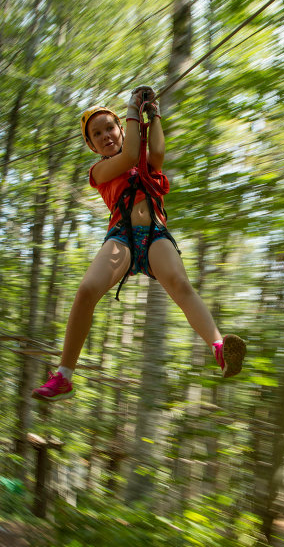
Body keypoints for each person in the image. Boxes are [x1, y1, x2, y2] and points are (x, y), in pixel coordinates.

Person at [32, 86, 246, 401]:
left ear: (121, 129)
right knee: (87, 290)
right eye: (97, 134)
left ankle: (219, 348)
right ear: (92, 145)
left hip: (157, 235)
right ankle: (64, 376)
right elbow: (131, 153)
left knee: (180, 285)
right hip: (123, 236)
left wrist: (153, 113)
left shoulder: (142, 159)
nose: (106, 135)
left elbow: (155, 154)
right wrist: (133, 110)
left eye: (110, 128)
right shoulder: (99, 171)